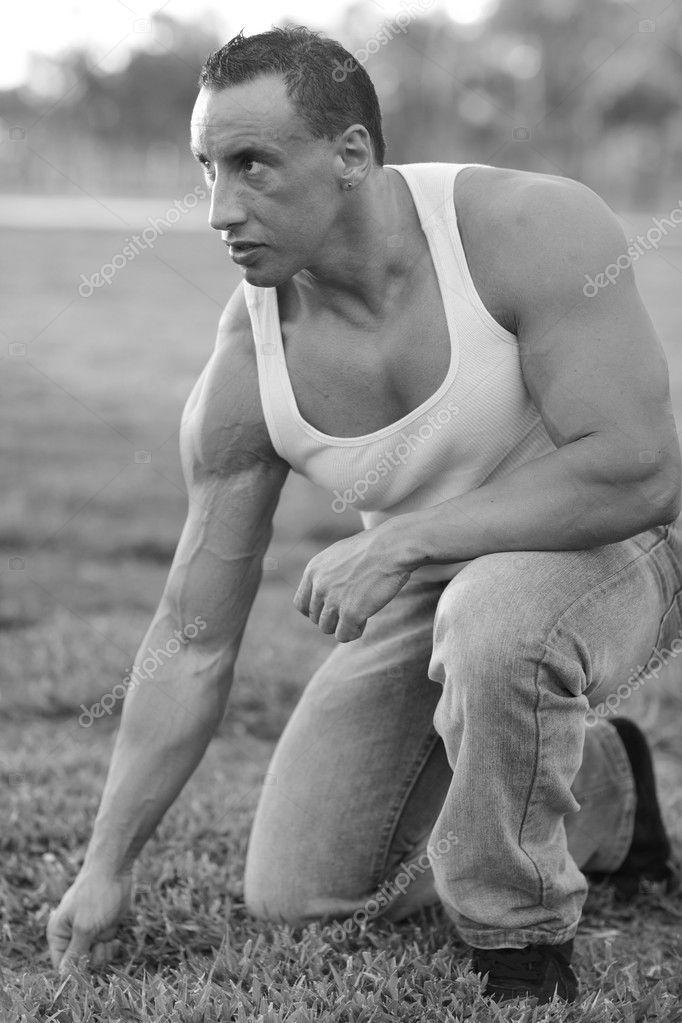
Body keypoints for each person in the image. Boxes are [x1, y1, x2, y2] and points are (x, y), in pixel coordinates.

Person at [47, 26, 682, 1005]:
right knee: (296, 895)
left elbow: (637, 473)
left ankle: (516, 943)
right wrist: (104, 867)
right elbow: (190, 634)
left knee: (496, 621)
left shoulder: (526, 229)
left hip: (610, 544)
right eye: (206, 168)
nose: (220, 208)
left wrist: (403, 539)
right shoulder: (248, 365)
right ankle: (602, 789)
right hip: (427, 587)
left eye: (252, 164)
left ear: (350, 155)